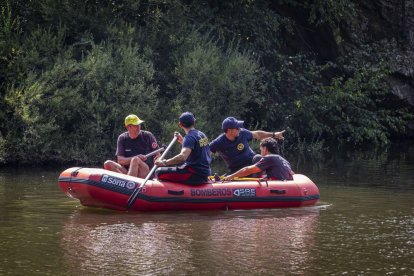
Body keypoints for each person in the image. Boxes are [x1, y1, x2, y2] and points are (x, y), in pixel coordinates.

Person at [209, 117, 285, 174]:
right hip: (236, 170)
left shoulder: (242, 133)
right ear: (229, 131)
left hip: (252, 162)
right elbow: (206, 154)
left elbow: (257, 134)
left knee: (258, 157)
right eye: (237, 127)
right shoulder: (218, 142)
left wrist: (274, 134)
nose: (239, 128)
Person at [154, 112, 211, 185]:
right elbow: (195, 148)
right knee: (177, 168)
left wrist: (164, 163)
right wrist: (182, 140)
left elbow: (182, 157)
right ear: (194, 122)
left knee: (158, 172)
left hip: (195, 175)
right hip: (205, 173)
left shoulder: (189, 137)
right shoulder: (202, 134)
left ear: (180, 125)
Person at [223, 137, 294, 181]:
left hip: (277, 186)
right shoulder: (283, 160)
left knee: (257, 157)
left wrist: (231, 176)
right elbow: (292, 174)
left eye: (261, 149)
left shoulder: (269, 158)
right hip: (285, 185)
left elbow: (247, 170)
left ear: (265, 149)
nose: (261, 152)